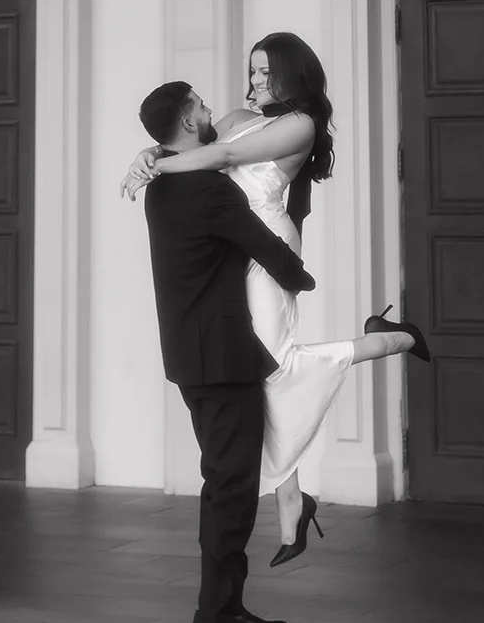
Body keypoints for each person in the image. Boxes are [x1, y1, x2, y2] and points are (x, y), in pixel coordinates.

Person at [123, 33, 429, 564]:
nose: (255, 81)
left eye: (267, 73)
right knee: (255, 372)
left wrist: (154, 167)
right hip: (234, 247)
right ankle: (291, 497)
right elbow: (189, 141)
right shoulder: (242, 115)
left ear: (292, 74)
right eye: (253, 71)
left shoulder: (301, 122)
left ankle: (392, 340)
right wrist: (147, 152)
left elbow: (222, 155)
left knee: (273, 366)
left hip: (267, 246)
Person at [139, 78, 317, 623]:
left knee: (229, 486)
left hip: (197, 354)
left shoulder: (164, 185)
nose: (212, 110)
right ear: (189, 123)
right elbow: (263, 246)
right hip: (219, 358)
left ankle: (228, 611)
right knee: (230, 489)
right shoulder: (207, 189)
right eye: (202, 106)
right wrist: (301, 278)